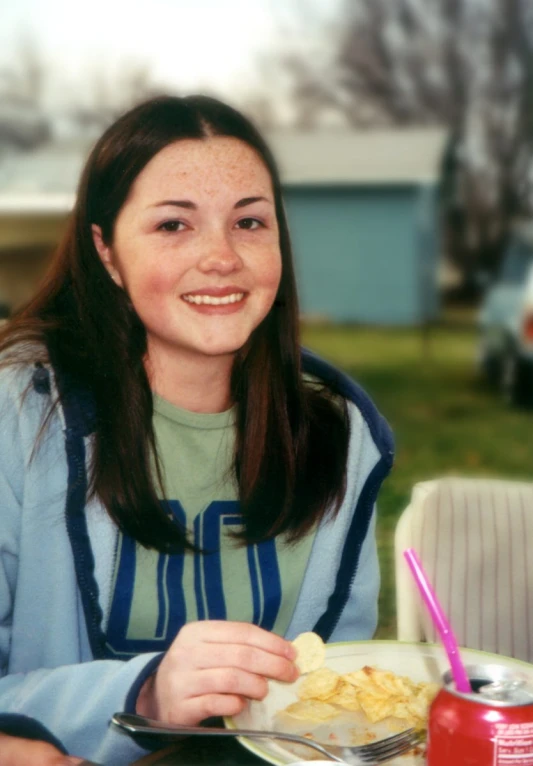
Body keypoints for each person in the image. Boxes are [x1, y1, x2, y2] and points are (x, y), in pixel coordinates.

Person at [0, 95, 393, 765]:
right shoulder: (20, 415)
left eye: (248, 221)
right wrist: (143, 692)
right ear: (107, 253)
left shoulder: (339, 430)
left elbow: (338, 690)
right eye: (174, 225)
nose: (221, 257)